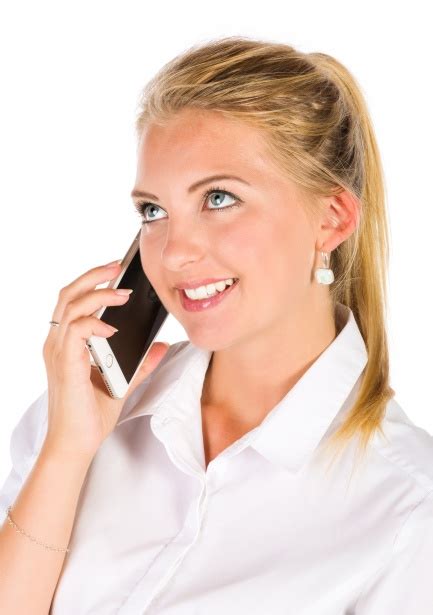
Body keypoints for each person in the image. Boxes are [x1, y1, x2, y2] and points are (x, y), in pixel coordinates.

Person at [1, 35, 433, 614]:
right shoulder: (87, 411)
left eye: (219, 198)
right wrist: (66, 451)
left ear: (330, 220)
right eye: (153, 210)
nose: (174, 253)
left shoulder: (408, 509)